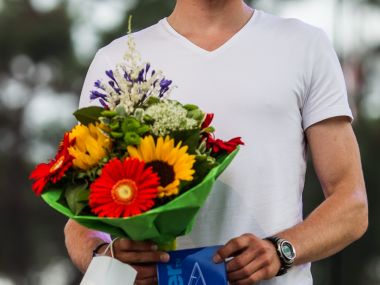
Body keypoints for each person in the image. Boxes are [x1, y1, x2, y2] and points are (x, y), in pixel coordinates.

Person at [64, 0, 368, 284]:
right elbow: (81, 217)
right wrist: (104, 255)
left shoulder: (304, 45)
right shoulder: (116, 60)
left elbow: (351, 204)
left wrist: (281, 250)